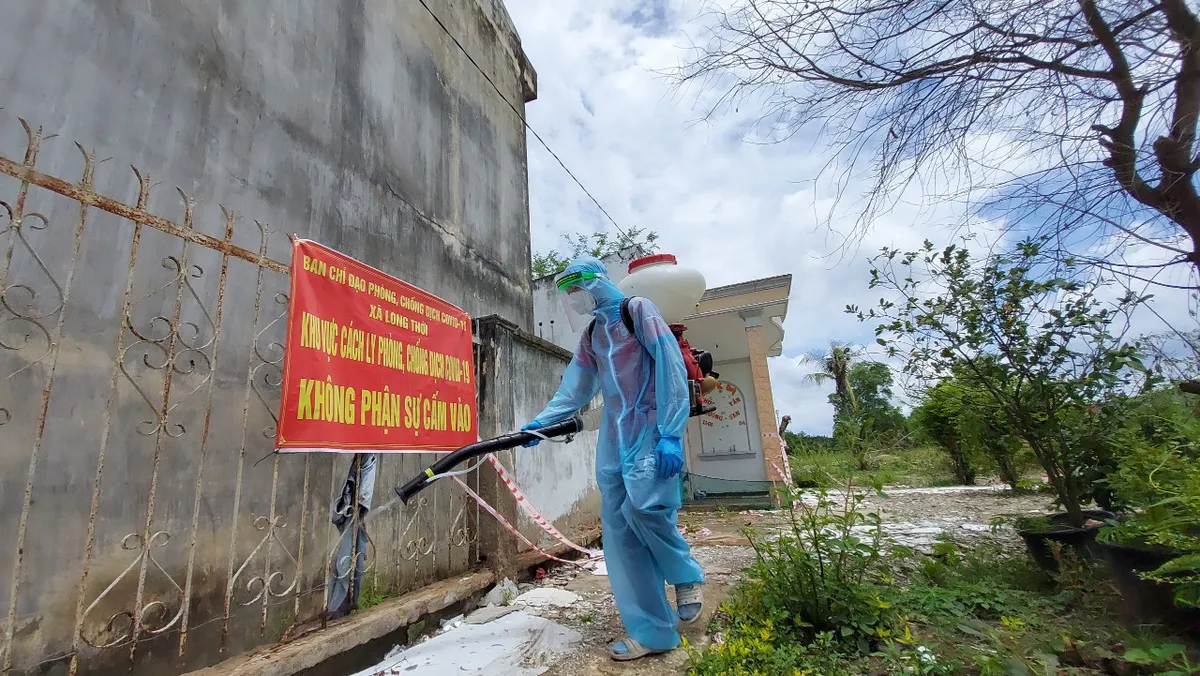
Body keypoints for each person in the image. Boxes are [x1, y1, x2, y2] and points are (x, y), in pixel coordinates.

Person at [520, 256, 705, 661]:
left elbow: (671, 367)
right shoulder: (593, 335)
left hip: (651, 431)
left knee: (647, 510)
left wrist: (671, 433)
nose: (574, 298)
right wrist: (540, 424)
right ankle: (653, 632)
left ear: (595, 283)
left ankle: (685, 574)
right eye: (568, 293)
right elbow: (575, 388)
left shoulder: (637, 311)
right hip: (614, 440)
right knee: (621, 537)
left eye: (576, 289)